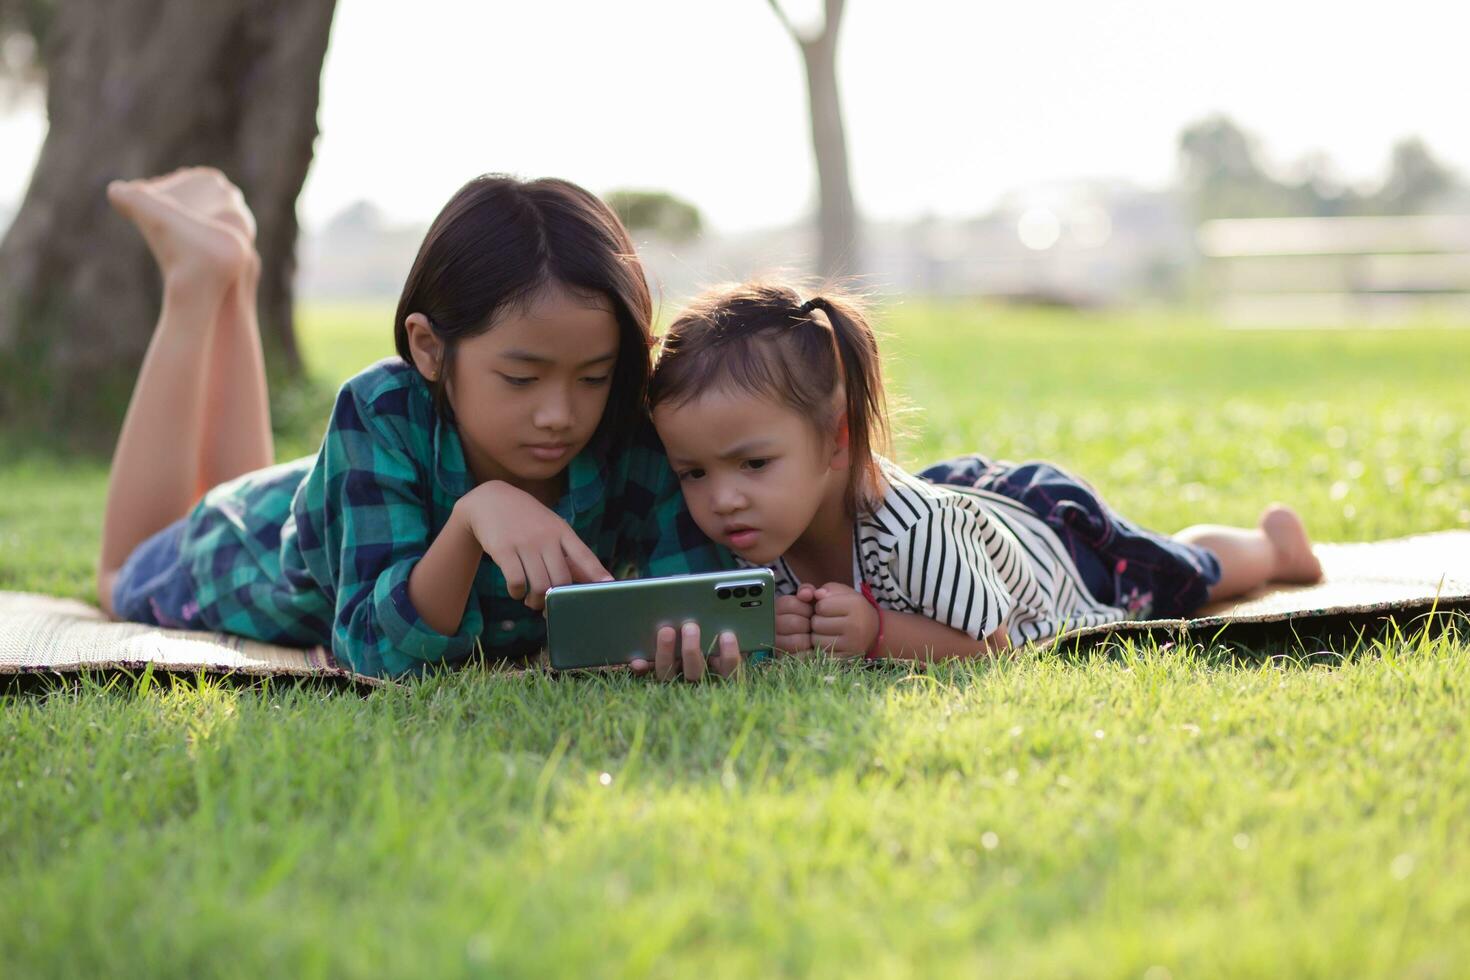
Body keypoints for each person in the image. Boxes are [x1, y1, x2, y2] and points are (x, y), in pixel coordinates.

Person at [97, 168, 737, 679]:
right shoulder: (381, 411)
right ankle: (198, 280)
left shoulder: (627, 424)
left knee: (245, 477)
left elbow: (696, 593)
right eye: (521, 378)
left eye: (593, 377)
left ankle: (234, 273)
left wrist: (693, 638)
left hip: (329, 497)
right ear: (429, 348)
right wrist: (473, 517)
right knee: (118, 575)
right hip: (250, 548)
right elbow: (377, 654)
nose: (559, 415)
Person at [649, 282, 1325, 664]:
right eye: (694, 473)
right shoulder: (747, 540)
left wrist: (875, 636)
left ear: (838, 439)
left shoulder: (915, 535)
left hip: (1054, 541)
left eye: (753, 464)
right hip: (970, 511)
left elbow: (993, 648)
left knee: (1178, 574)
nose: (722, 498)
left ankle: (1271, 547)